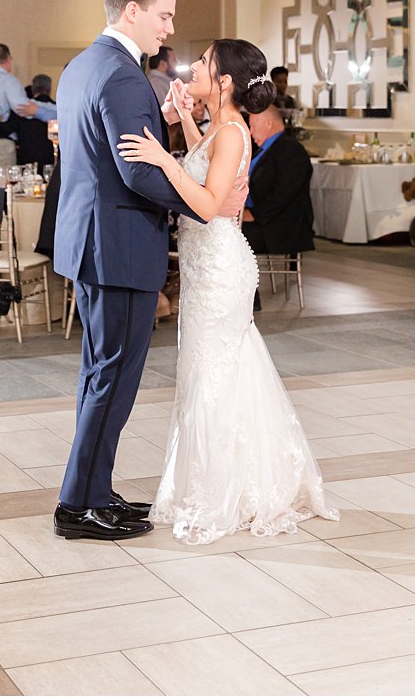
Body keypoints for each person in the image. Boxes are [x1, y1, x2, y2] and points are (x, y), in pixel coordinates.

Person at [51, 0, 249, 542]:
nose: (168, 29)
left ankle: (93, 491)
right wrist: (204, 205)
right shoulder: (125, 77)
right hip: (118, 247)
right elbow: (136, 173)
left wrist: (165, 137)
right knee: (113, 377)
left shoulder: (83, 66)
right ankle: (77, 505)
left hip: (91, 242)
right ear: (132, 11)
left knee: (100, 374)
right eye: (163, 15)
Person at [119, 38, 337, 544]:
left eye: (203, 62)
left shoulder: (235, 132)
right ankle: (216, 482)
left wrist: (162, 158)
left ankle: (228, 491)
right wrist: (184, 123)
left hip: (219, 269)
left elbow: (209, 202)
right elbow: (207, 158)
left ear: (222, 82)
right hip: (203, 269)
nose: (192, 66)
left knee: (214, 376)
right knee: (207, 374)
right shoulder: (222, 127)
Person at [241, 104, 316, 308]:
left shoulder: (291, 150)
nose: (250, 131)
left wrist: (254, 214)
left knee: (236, 237)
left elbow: (285, 194)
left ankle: (248, 298)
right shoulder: (265, 149)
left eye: (253, 125)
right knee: (227, 231)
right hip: (264, 219)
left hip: (283, 225)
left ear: (268, 123)